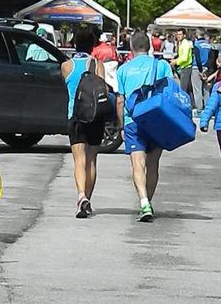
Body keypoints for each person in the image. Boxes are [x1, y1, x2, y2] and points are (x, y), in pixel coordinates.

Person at [116, 31, 174, 222]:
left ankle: (143, 202)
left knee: (137, 164)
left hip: (133, 121)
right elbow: (170, 93)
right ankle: (148, 201)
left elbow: (120, 100)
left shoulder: (123, 70)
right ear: (149, 47)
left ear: (131, 48)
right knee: (153, 164)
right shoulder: (162, 65)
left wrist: (121, 126)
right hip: (157, 120)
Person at [61, 29, 106, 218]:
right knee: (91, 160)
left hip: (75, 116)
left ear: (74, 44)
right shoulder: (97, 64)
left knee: (78, 160)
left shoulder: (66, 66)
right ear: (92, 45)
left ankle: (80, 197)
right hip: (95, 116)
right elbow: (102, 87)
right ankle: (88, 198)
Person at [191, 28, 218, 114]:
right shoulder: (209, 45)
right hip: (207, 69)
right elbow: (211, 59)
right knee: (206, 89)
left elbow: (198, 58)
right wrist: (206, 70)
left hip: (197, 68)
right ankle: (207, 108)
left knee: (197, 89)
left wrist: (200, 70)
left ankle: (199, 109)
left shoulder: (197, 44)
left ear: (196, 34)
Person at [199, 79, 221, 157]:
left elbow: (211, 106)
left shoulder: (218, 86)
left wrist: (204, 122)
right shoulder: (218, 86)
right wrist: (204, 122)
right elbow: (211, 106)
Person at [170, 28, 192, 94]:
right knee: (187, 89)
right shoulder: (181, 43)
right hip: (183, 67)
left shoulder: (185, 44)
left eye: (180, 34)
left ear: (184, 35)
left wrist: (176, 61)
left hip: (186, 68)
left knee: (183, 89)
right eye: (177, 34)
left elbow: (185, 58)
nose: (178, 36)